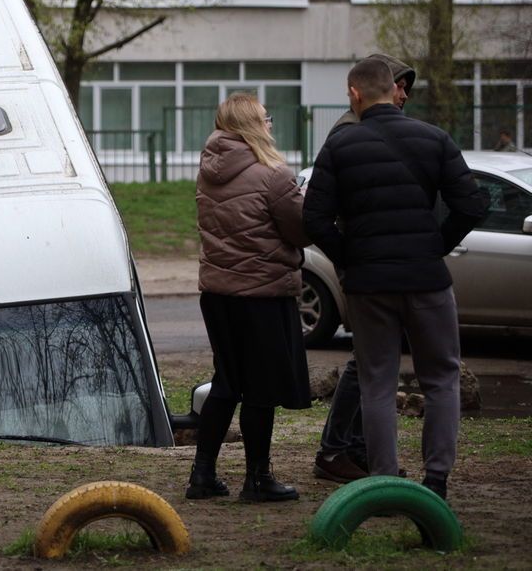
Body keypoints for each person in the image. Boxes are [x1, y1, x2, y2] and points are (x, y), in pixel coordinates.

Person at [303, 58, 486, 500]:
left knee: (377, 381)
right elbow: (472, 205)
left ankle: (384, 481)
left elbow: (314, 217)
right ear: (394, 90)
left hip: (369, 285)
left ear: (355, 94)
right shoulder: (434, 138)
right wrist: (434, 244)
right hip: (427, 279)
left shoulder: (340, 145)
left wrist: (350, 258)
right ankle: (436, 479)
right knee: (441, 377)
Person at [187, 93, 311, 503]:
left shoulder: (208, 171)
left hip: (218, 294)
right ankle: (258, 478)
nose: (271, 123)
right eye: (265, 117)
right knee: (260, 389)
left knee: (226, 381)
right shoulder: (274, 175)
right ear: (252, 124)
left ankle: (202, 475)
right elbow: (300, 230)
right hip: (262, 294)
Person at [313, 53, 418, 484]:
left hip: (376, 260)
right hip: (364, 262)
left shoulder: (368, 127)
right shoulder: (351, 129)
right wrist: (349, 253)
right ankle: (335, 450)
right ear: (379, 86)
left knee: (374, 360)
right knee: (367, 361)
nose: (405, 94)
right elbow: (325, 209)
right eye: (401, 85)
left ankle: (353, 448)